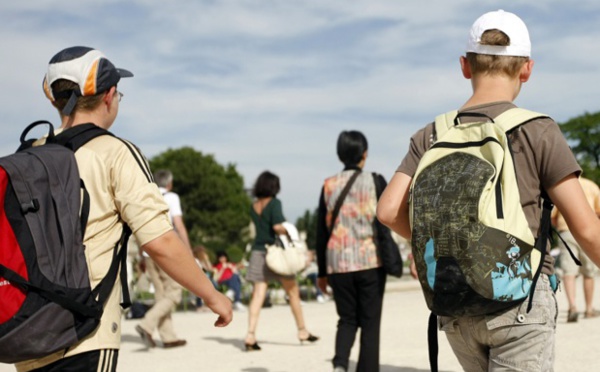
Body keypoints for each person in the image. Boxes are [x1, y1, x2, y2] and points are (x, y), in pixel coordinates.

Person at [377, 10, 600, 371]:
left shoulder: (432, 133)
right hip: (519, 300)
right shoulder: (538, 130)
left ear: (465, 66)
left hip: (455, 303)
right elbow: (586, 228)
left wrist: (448, 244)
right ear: (527, 68)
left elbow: (387, 211)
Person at [15, 46, 232, 372]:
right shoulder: (115, 152)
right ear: (110, 95)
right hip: (86, 332)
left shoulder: (27, 154)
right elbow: (160, 241)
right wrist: (213, 295)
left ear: (53, 99)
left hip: (29, 331)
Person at [315, 131, 387, 372]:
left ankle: (339, 365)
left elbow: (321, 233)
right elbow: (385, 222)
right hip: (370, 261)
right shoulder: (375, 181)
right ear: (364, 154)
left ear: (339, 155)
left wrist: (322, 273)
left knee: (346, 320)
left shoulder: (328, 186)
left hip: (338, 264)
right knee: (369, 325)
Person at [244, 171, 319, 351]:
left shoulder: (254, 206)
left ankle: (250, 335)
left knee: (258, 295)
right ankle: (302, 331)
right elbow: (277, 227)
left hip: (258, 252)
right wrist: (289, 230)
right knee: (292, 292)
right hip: (276, 255)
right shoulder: (275, 203)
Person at [136, 169, 192, 348]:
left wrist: (141, 255)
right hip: (166, 250)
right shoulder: (171, 197)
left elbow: (138, 227)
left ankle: (169, 337)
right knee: (175, 292)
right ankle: (146, 323)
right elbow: (179, 225)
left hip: (147, 251)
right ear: (169, 183)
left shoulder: (144, 197)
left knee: (161, 295)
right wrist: (188, 251)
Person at [552, 176, 600, 322]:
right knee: (589, 272)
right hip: (589, 231)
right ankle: (589, 309)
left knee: (569, 271)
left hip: (566, 231)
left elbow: (553, 216)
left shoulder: (559, 183)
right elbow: (598, 212)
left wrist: (560, 228)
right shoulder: (591, 186)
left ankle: (572, 307)